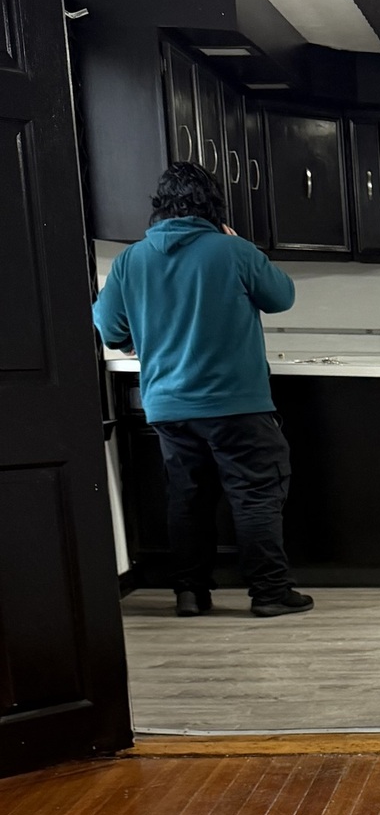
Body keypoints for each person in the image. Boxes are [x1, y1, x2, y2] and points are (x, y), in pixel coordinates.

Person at [95, 162, 314, 619]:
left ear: (161, 206)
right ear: (214, 205)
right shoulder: (231, 251)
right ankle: (270, 593)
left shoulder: (132, 260)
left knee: (188, 498)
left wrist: (144, 337)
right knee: (255, 492)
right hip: (237, 402)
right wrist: (240, 244)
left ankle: (190, 594)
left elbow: (108, 328)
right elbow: (282, 297)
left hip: (168, 406)